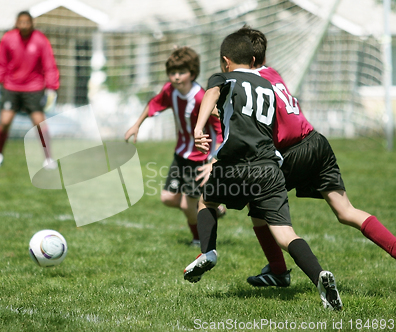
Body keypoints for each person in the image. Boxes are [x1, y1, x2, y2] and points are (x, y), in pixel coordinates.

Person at [183, 31, 342, 310]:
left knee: (206, 200)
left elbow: (212, 94)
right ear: (255, 59)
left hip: (234, 166)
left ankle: (207, 252)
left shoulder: (224, 78)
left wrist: (199, 127)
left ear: (225, 61)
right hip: (268, 167)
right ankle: (319, 276)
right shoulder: (267, 85)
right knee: (284, 233)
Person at [236, 26, 396, 288]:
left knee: (257, 204)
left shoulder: (249, 87)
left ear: (248, 60)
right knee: (346, 211)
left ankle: (277, 269)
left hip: (293, 152)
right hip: (317, 141)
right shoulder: (272, 71)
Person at [124, 46, 224, 247]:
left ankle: (198, 240)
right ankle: (209, 210)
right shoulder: (170, 91)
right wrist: (136, 125)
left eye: (181, 72)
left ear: (192, 73)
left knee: (188, 204)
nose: (176, 77)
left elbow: (218, 127)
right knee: (168, 198)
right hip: (180, 155)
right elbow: (154, 104)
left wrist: (215, 156)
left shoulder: (201, 98)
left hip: (199, 158)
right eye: (172, 73)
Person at [0, 11, 59, 169]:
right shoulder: (8, 38)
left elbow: (49, 65)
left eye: (27, 22)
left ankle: (48, 159)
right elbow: (1, 62)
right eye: (21, 22)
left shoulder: (41, 40)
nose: (24, 25)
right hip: (11, 87)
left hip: (33, 88)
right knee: (5, 121)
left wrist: (51, 88)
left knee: (40, 123)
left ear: (32, 23)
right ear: (17, 23)